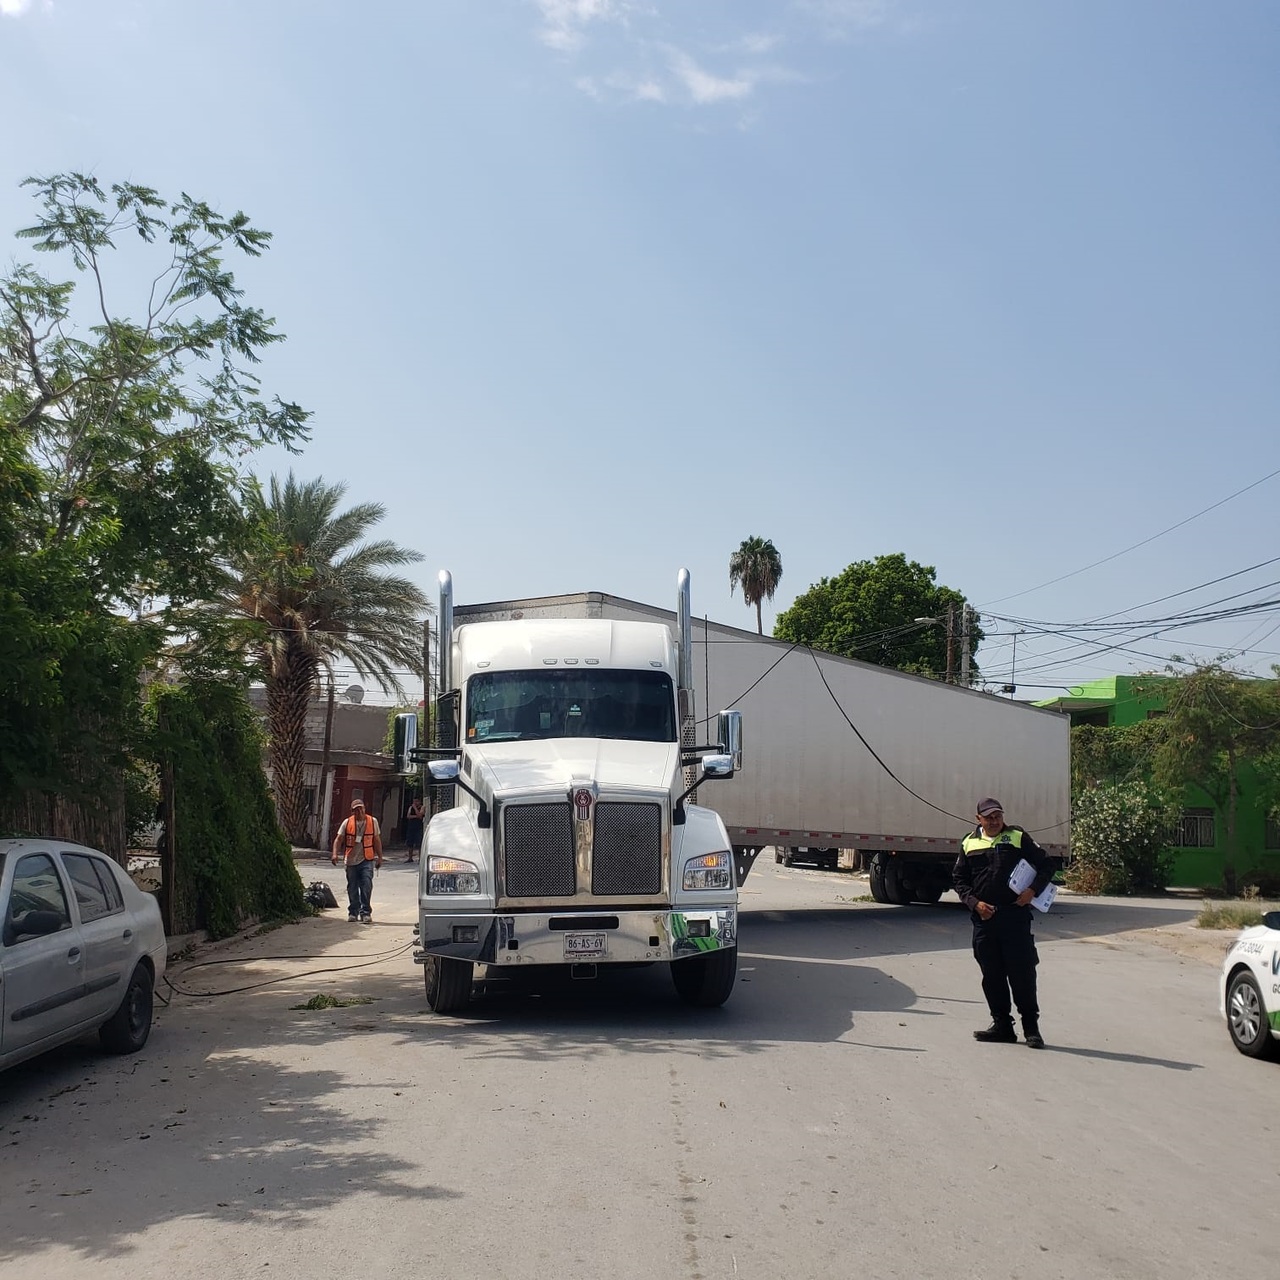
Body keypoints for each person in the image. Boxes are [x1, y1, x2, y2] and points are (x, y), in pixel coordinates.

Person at [952, 797, 1054, 1049]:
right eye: (988, 817)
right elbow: (960, 880)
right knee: (992, 975)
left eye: (997, 816)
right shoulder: (968, 842)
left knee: (1022, 974)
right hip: (984, 919)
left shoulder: (1017, 837)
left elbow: (1047, 865)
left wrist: (1033, 890)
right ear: (979, 819)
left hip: (1014, 918)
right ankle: (1002, 1026)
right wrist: (975, 903)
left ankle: (1031, 1027)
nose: (994, 821)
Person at [331, 797, 383, 923]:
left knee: (366, 885)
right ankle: (353, 912)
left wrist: (380, 857)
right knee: (352, 887)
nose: (359, 811)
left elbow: (376, 840)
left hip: (367, 859)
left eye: (361, 808)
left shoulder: (372, 821)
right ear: (352, 811)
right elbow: (339, 839)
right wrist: (335, 854)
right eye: (356, 809)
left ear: (364, 808)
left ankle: (365, 913)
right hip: (351, 860)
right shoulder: (347, 822)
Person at [404, 796, 425, 861]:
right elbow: (408, 816)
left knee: (419, 843)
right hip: (411, 827)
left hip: (418, 827)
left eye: (416, 801)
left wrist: (415, 808)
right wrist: (416, 816)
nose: (415, 803)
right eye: (414, 801)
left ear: (419, 801)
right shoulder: (411, 808)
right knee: (410, 843)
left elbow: (420, 816)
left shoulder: (422, 807)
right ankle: (410, 858)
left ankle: (420, 858)